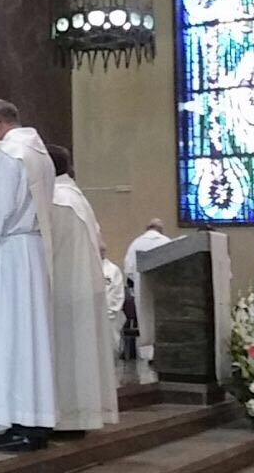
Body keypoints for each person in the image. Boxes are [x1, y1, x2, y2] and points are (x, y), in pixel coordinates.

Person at [0, 99, 57, 451]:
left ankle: (15, 419)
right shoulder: (41, 154)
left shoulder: (8, 156)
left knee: (8, 335)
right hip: (32, 251)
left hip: (9, 255)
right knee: (30, 336)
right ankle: (35, 418)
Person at [47, 145, 117, 434]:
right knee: (81, 354)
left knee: (67, 354)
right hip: (81, 286)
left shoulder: (56, 199)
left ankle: (68, 417)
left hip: (65, 289)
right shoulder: (76, 197)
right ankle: (81, 416)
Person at [124, 218, 173, 362]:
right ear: (160, 229)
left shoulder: (136, 243)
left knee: (145, 318)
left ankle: (147, 353)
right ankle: (164, 351)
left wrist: (137, 280)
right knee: (162, 318)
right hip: (163, 287)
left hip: (142, 286)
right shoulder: (166, 242)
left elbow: (128, 270)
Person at [101, 240, 126, 358]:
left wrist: (109, 311)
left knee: (110, 349)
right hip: (91, 316)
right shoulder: (86, 268)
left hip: (109, 316)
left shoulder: (113, 270)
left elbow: (117, 295)